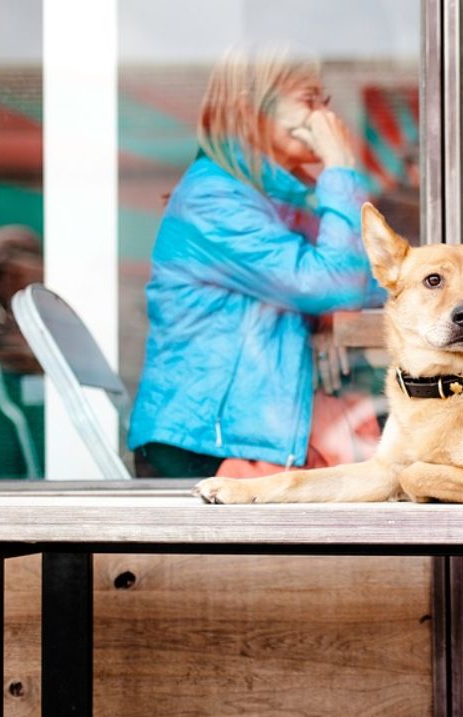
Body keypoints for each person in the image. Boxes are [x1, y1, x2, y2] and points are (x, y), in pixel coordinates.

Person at [128, 43, 381, 478]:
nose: (324, 118)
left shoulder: (275, 199)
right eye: (308, 100)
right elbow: (332, 285)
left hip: (248, 438)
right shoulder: (215, 198)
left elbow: (362, 284)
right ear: (251, 111)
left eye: (326, 102)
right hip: (203, 448)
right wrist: (339, 167)